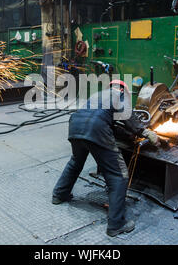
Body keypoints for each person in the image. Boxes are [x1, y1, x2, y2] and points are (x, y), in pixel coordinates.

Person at [52, 79, 159, 237]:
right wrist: (144, 132)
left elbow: (110, 122)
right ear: (123, 90)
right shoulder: (119, 96)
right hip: (95, 129)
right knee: (118, 175)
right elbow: (127, 117)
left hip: (75, 125)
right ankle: (116, 224)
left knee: (75, 162)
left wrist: (127, 134)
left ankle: (59, 195)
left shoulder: (98, 95)